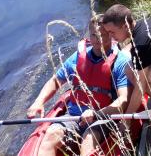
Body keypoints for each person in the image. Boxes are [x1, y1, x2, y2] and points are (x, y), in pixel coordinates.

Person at [26, 15, 134, 156]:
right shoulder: (78, 57)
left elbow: (124, 100)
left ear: (111, 35)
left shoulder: (120, 61)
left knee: (89, 139)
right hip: (74, 116)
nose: (97, 40)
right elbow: (56, 81)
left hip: (103, 118)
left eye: (102, 35)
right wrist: (38, 102)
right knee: (51, 134)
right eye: (94, 35)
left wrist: (96, 114)